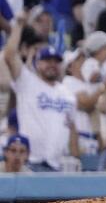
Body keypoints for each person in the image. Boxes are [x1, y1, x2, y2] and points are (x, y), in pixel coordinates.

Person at [3, 16, 79, 171]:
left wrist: (76, 157)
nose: (52, 65)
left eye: (55, 61)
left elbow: (71, 127)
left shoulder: (68, 93)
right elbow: (10, 55)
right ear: (37, 63)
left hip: (57, 165)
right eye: (47, 61)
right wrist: (18, 26)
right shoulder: (27, 82)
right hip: (31, 162)